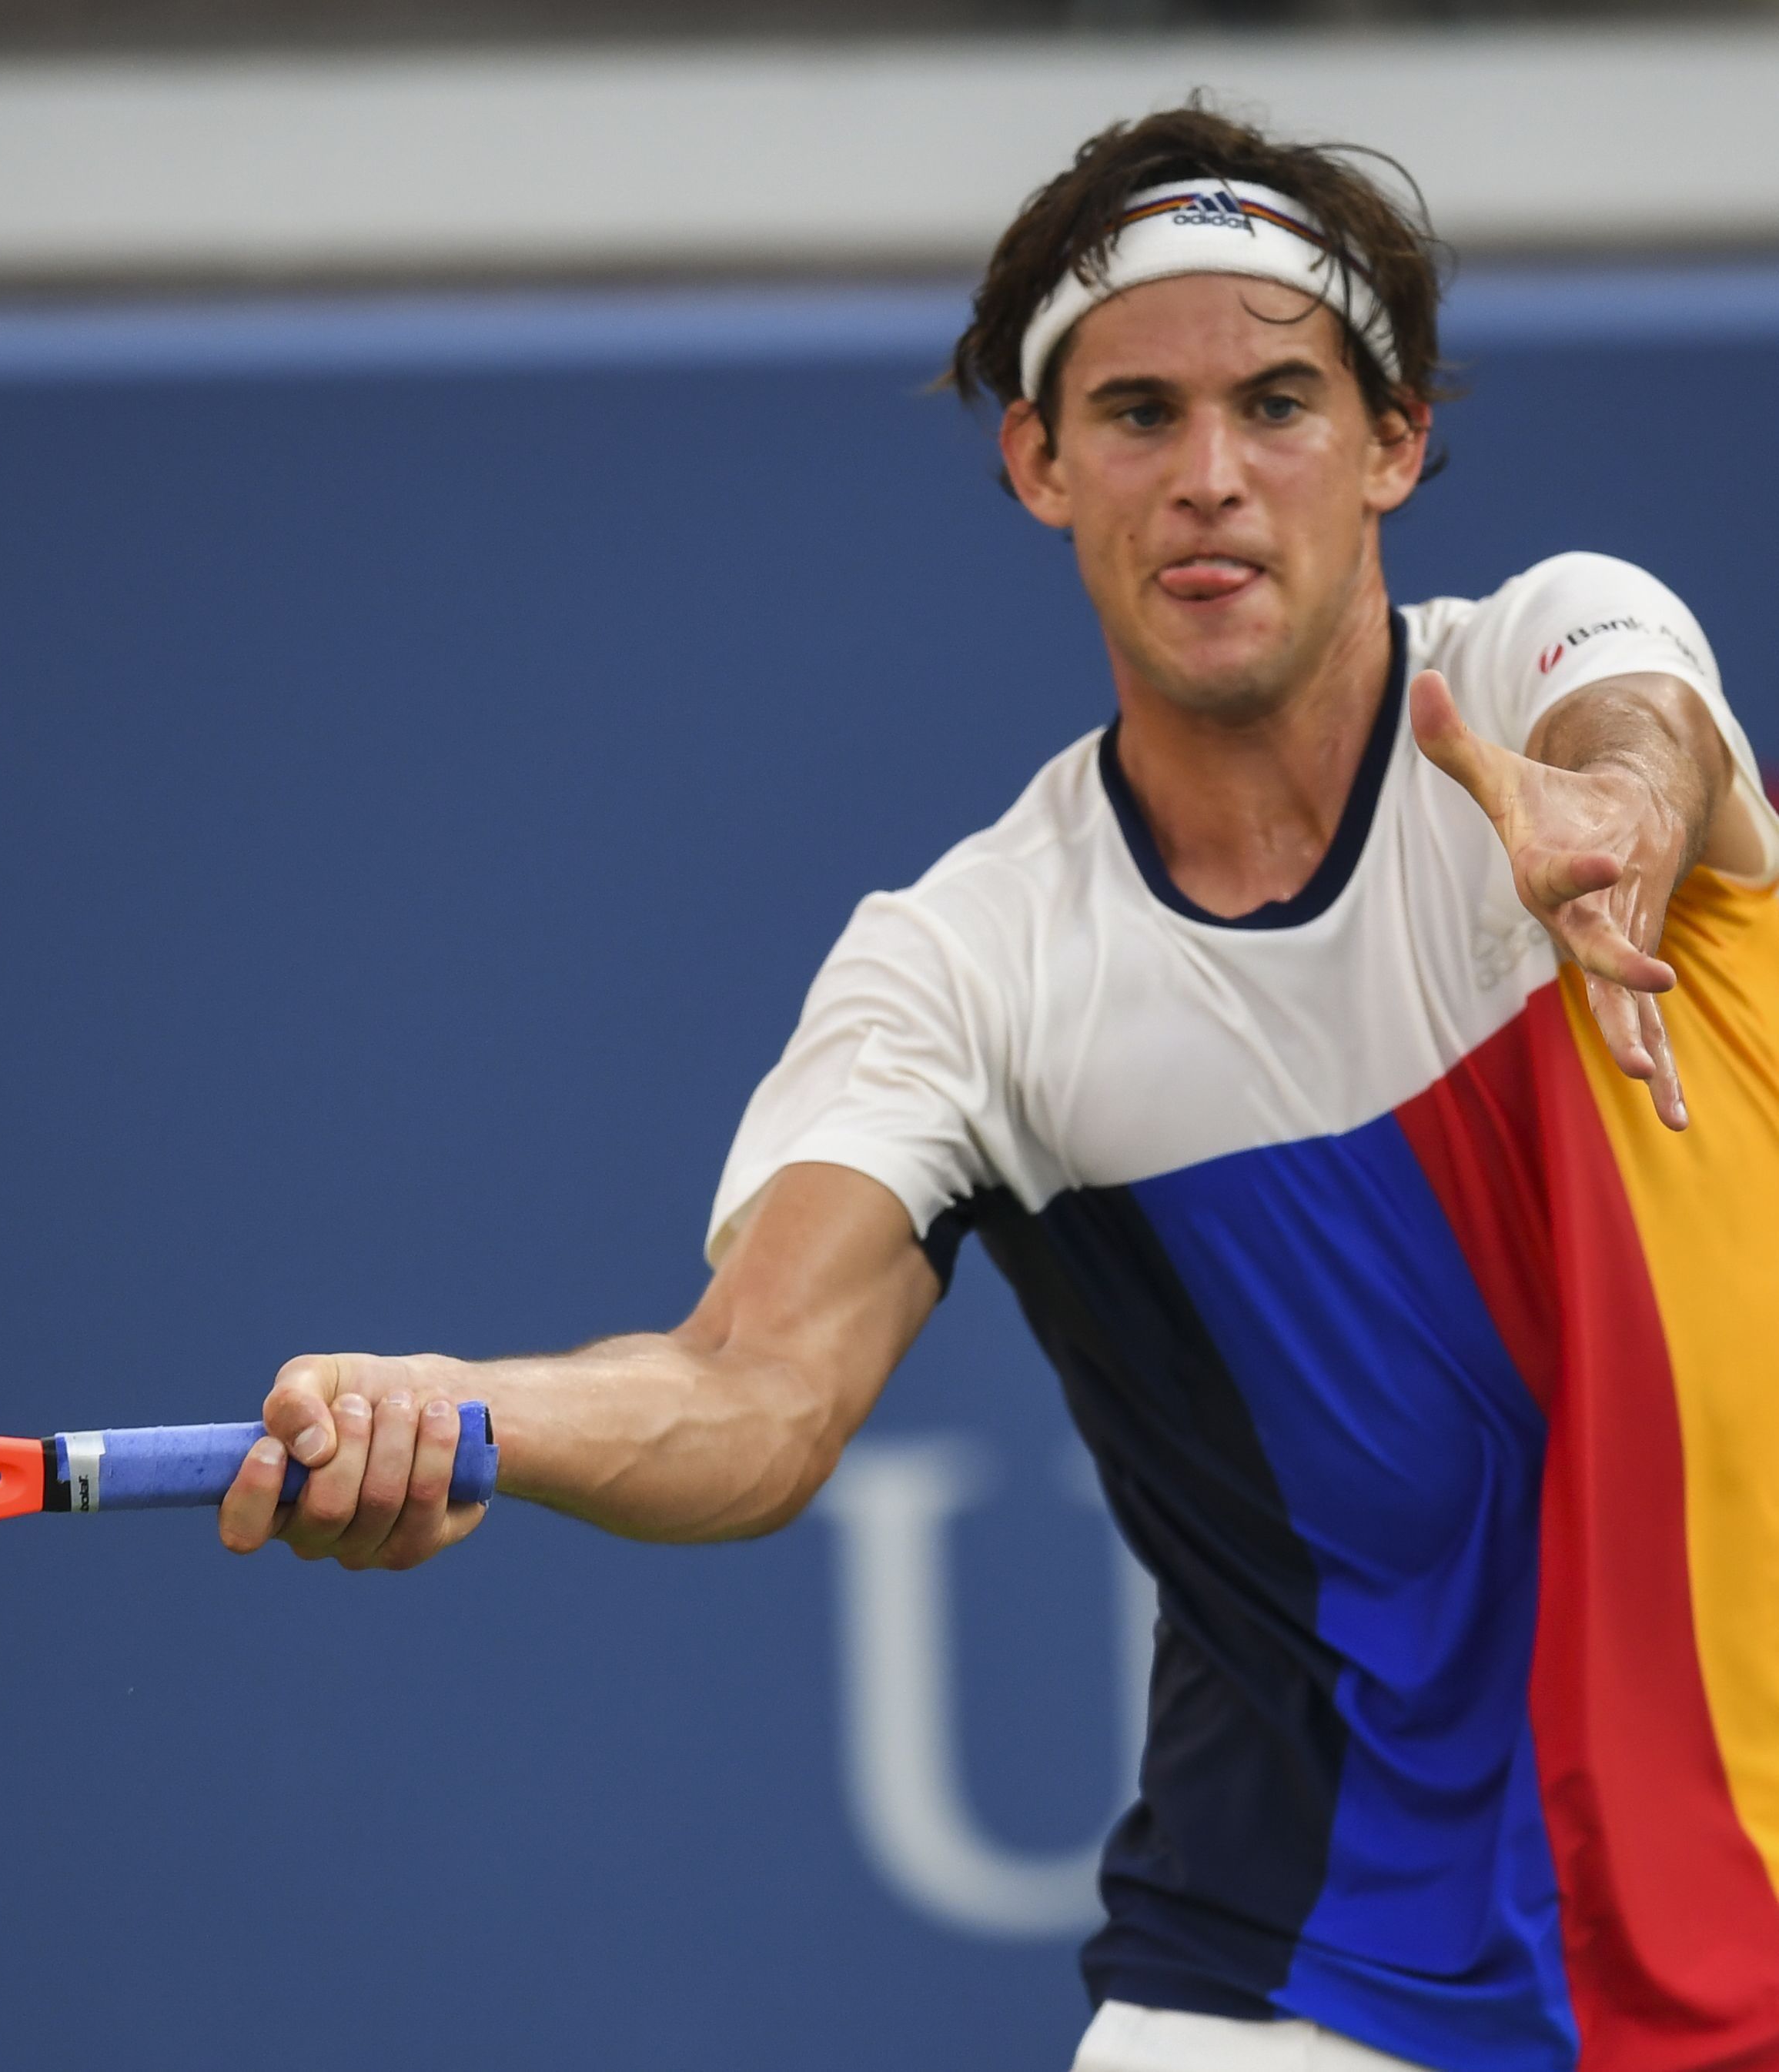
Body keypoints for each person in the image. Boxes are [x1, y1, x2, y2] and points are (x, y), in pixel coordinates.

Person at [218, 106, 1779, 2072]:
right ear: (1040, 462)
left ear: (1394, 442)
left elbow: (1631, 723)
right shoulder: (963, 966)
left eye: (1277, 402)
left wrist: (1620, 811)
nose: (1209, 478)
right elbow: (752, 1393)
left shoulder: (1565, 653)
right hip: (1300, 1979)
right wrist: (462, 1409)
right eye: (1135, 412)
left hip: (1745, 1905)